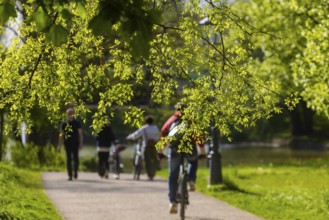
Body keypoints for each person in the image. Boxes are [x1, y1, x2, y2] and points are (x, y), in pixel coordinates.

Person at [160, 102, 206, 214]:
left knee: (173, 175)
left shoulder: (172, 119)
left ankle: (173, 203)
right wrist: (202, 152)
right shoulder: (191, 120)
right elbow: (199, 135)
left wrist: (160, 152)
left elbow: (164, 132)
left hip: (175, 148)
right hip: (190, 146)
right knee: (193, 161)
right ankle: (190, 179)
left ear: (176, 109)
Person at [126, 115, 160, 180]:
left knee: (147, 161)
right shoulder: (155, 128)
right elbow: (158, 137)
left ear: (146, 121)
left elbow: (135, 135)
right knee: (154, 159)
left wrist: (128, 137)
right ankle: (153, 173)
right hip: (154, 146)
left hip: (146, 146)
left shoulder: (144, 128)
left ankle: (149, 174)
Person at [57, 108, 83, 181]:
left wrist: (81, 143)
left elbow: (80, 133)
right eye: (69, 114)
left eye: (72, 113)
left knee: (75, 158)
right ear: (67, 115)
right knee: (69, 159)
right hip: (67, 143)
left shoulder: (77, 123)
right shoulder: (64, 123)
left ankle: (75, 172)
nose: (70, 115)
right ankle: (70, 175)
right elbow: (61, 134)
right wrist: (59, 145)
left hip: (75, 143)